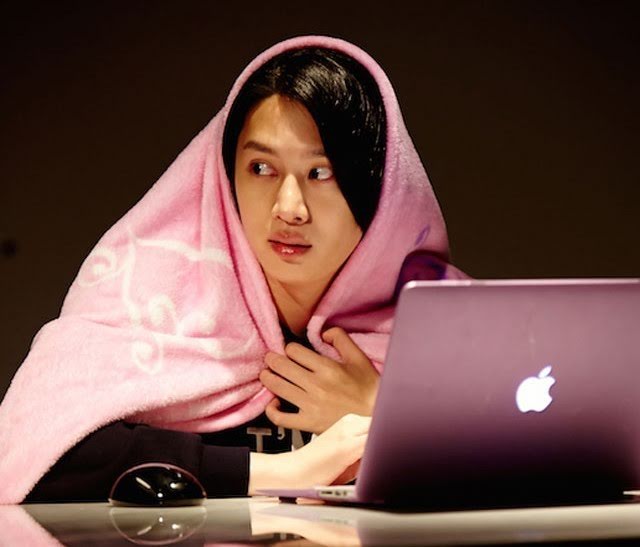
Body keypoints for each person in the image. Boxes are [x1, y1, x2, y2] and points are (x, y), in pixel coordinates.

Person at [0, 35, 466, 504]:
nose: (289, 208)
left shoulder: (442, 325)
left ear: (379, 188)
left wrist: (387, 413)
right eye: (261, 168)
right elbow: (30, 449)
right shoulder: (150, 296)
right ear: (226, 178)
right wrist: (278, 472)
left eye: (320, 173)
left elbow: (506, 469)